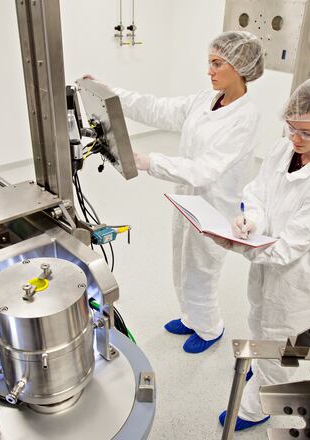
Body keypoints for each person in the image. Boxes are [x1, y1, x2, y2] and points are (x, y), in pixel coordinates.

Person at [84, 31, 264, 353]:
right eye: (209, 62)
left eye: (217, 63)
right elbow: (157, 109)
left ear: (239, 67)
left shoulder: (245, 117)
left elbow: (206, 169)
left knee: (201, 270)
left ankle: (209, 328)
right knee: (181, 264)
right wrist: (111, 94)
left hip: (214, 204)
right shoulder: (206, 99)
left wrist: (148, 162)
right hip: (188, 197)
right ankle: (191, 316)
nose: (209, 70)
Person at [211, 78, 310, 430]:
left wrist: (238, 244)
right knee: (259, 319)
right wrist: (251, 218)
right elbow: (260, 192)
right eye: (291, 127)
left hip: (297, 275)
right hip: (266, 262)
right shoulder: (284, 150)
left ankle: (261, 402)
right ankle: (263, 372)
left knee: (281, 340)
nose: (296, 138)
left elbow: (290, 246)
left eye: (307, 133)